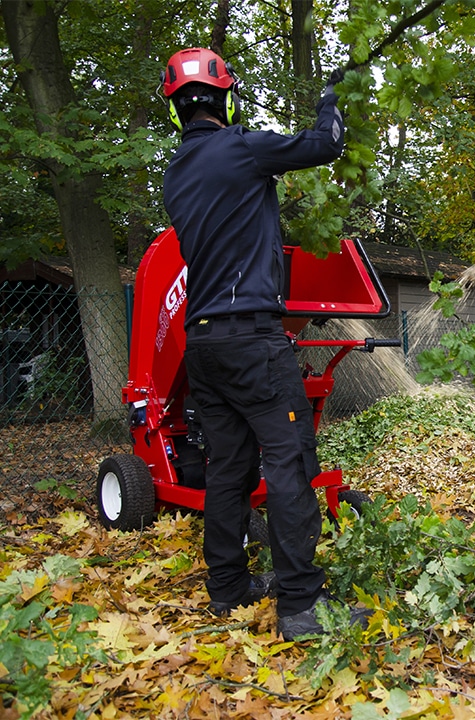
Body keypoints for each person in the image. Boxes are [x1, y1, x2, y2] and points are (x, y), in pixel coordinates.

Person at [160, 47, 360, 640]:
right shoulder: (241, 148)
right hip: (252, 339)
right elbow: (325, 142)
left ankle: (228, 588)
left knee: (228, 468)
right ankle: (301, 606)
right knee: (290, 461)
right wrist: (332, 96)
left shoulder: (176, 175)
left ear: (177, 111)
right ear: (225, 99)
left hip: (204, 345)